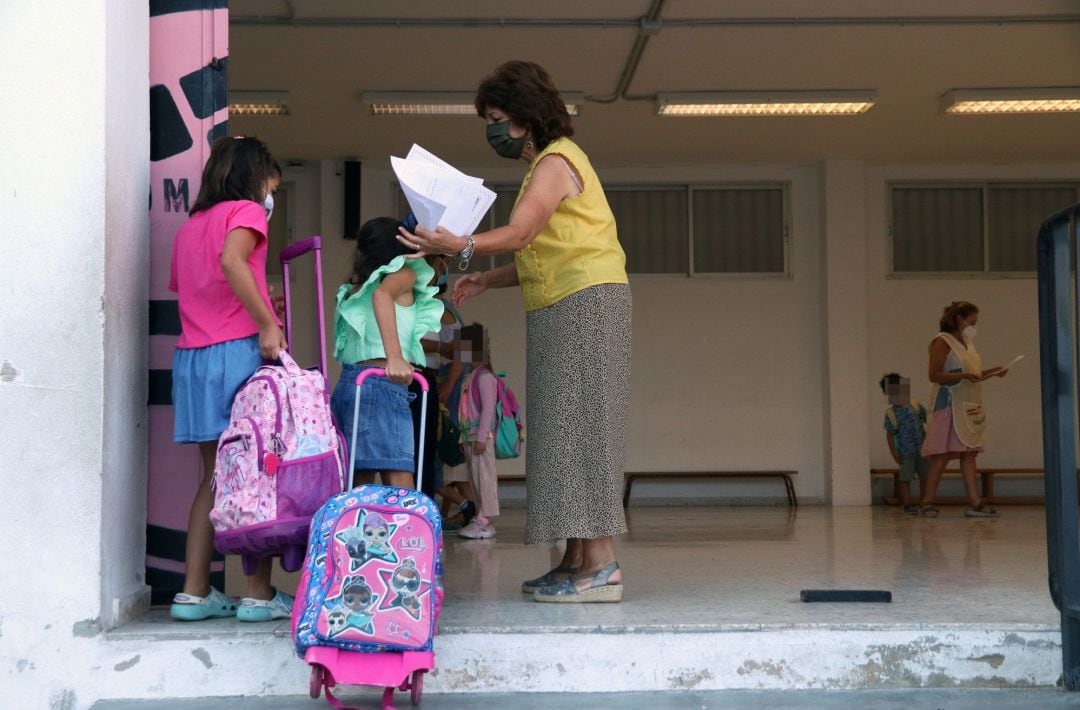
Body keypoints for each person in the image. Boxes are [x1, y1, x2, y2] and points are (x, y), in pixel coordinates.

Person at [397, 60, 632, 603]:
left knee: (582, 429)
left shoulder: (555, 161)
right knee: (558, 432)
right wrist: (484, 278)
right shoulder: (542, 167)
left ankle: (602, 564)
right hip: (560, 304)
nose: (493, 129)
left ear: (527, 116)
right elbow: (540, 250)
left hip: (586, 304)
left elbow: (522, 230)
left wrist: (462, 246)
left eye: (498, 117)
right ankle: (574, 558)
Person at [168, 136, 293, 622]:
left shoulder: (191, 226)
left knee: (214, 478)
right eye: (272, 185)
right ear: (255, 177)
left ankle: (193, 593)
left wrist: (262, 304)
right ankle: (258, 595)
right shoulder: (246, 211)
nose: (271, 197)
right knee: (254, 475)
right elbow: (231, 262)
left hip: (193, 361)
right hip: (236, 356)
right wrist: (267, 323)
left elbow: (203, 290)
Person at [330, 217, 444, 490]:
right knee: (399, 475)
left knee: (359, 480)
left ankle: (361, 531)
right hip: (382, 383)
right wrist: (395, 356)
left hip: (351, 383)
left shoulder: (356, 286)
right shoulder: (403, 274)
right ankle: (405, 532)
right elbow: (382, 296)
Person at [917, 301, 1008, 518]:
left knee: (969, 454)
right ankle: (926, 501)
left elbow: (973, 375)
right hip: (948, 406)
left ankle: (975, 502)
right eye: (972, 321)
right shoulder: (942, 341)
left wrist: (994, 371)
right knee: (942, 454)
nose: (974, 326)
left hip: (969, 406)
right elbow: (934, 375)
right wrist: (962, 376)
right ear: (959, 319)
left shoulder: (968, 343)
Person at [455, 323, 502, 539]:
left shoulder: (485, 377)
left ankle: (485, 519)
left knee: (484, 478)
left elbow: (488, 409)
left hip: (480, 437)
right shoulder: (471, 375)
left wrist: (482, 437)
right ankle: (480, 514)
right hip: (470, 436)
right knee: (475, 478)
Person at [879, 372, 929, 514]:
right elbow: (889, 434)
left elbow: (929, 421)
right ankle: (907, 504)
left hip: (923, 450)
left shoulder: (915, 405)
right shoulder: (890, 413)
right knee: (905, 478)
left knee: (925, 476)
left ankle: (924, 502)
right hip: (905, 452)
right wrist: (894, 453)